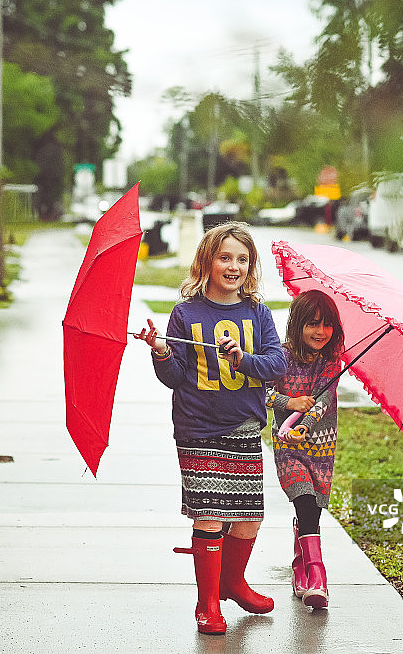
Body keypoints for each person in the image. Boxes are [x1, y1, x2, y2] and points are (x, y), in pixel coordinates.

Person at [134, 221, 287, 635]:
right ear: (207, 262)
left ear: (250, 266)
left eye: (241, 259)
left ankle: (233, 583)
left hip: (243, 427)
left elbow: (277, 364)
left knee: (248, 518)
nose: (233, 266)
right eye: (224, 258)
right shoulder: (186, 313)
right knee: (209, 515)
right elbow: (175, 376)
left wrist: (243, 360)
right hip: (197, 428)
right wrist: (162, 351)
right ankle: (207, 605)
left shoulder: (258, 313)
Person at [266, 290, 344, 610]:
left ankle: (301, 564)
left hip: (321, 444)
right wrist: (290, 403)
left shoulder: (331, 362)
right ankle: (317, 574)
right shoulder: (280, 357)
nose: (320, 332)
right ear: (297, 324)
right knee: (304, 500)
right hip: (287, 446)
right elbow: (262, 393)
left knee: (313, 509)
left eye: (327, 325)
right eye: (313, 324)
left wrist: (305, 425)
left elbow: (324, 401)